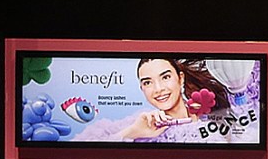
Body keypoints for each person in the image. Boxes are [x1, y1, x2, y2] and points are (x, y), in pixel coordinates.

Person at [78, 57, 237, 143]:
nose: (158, 89)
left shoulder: (211, 117)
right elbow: (84, 149)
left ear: (180, 78)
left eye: (165, 77)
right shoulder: (138, 123)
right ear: (142, 88)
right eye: (148, 82)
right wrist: (132, 132)